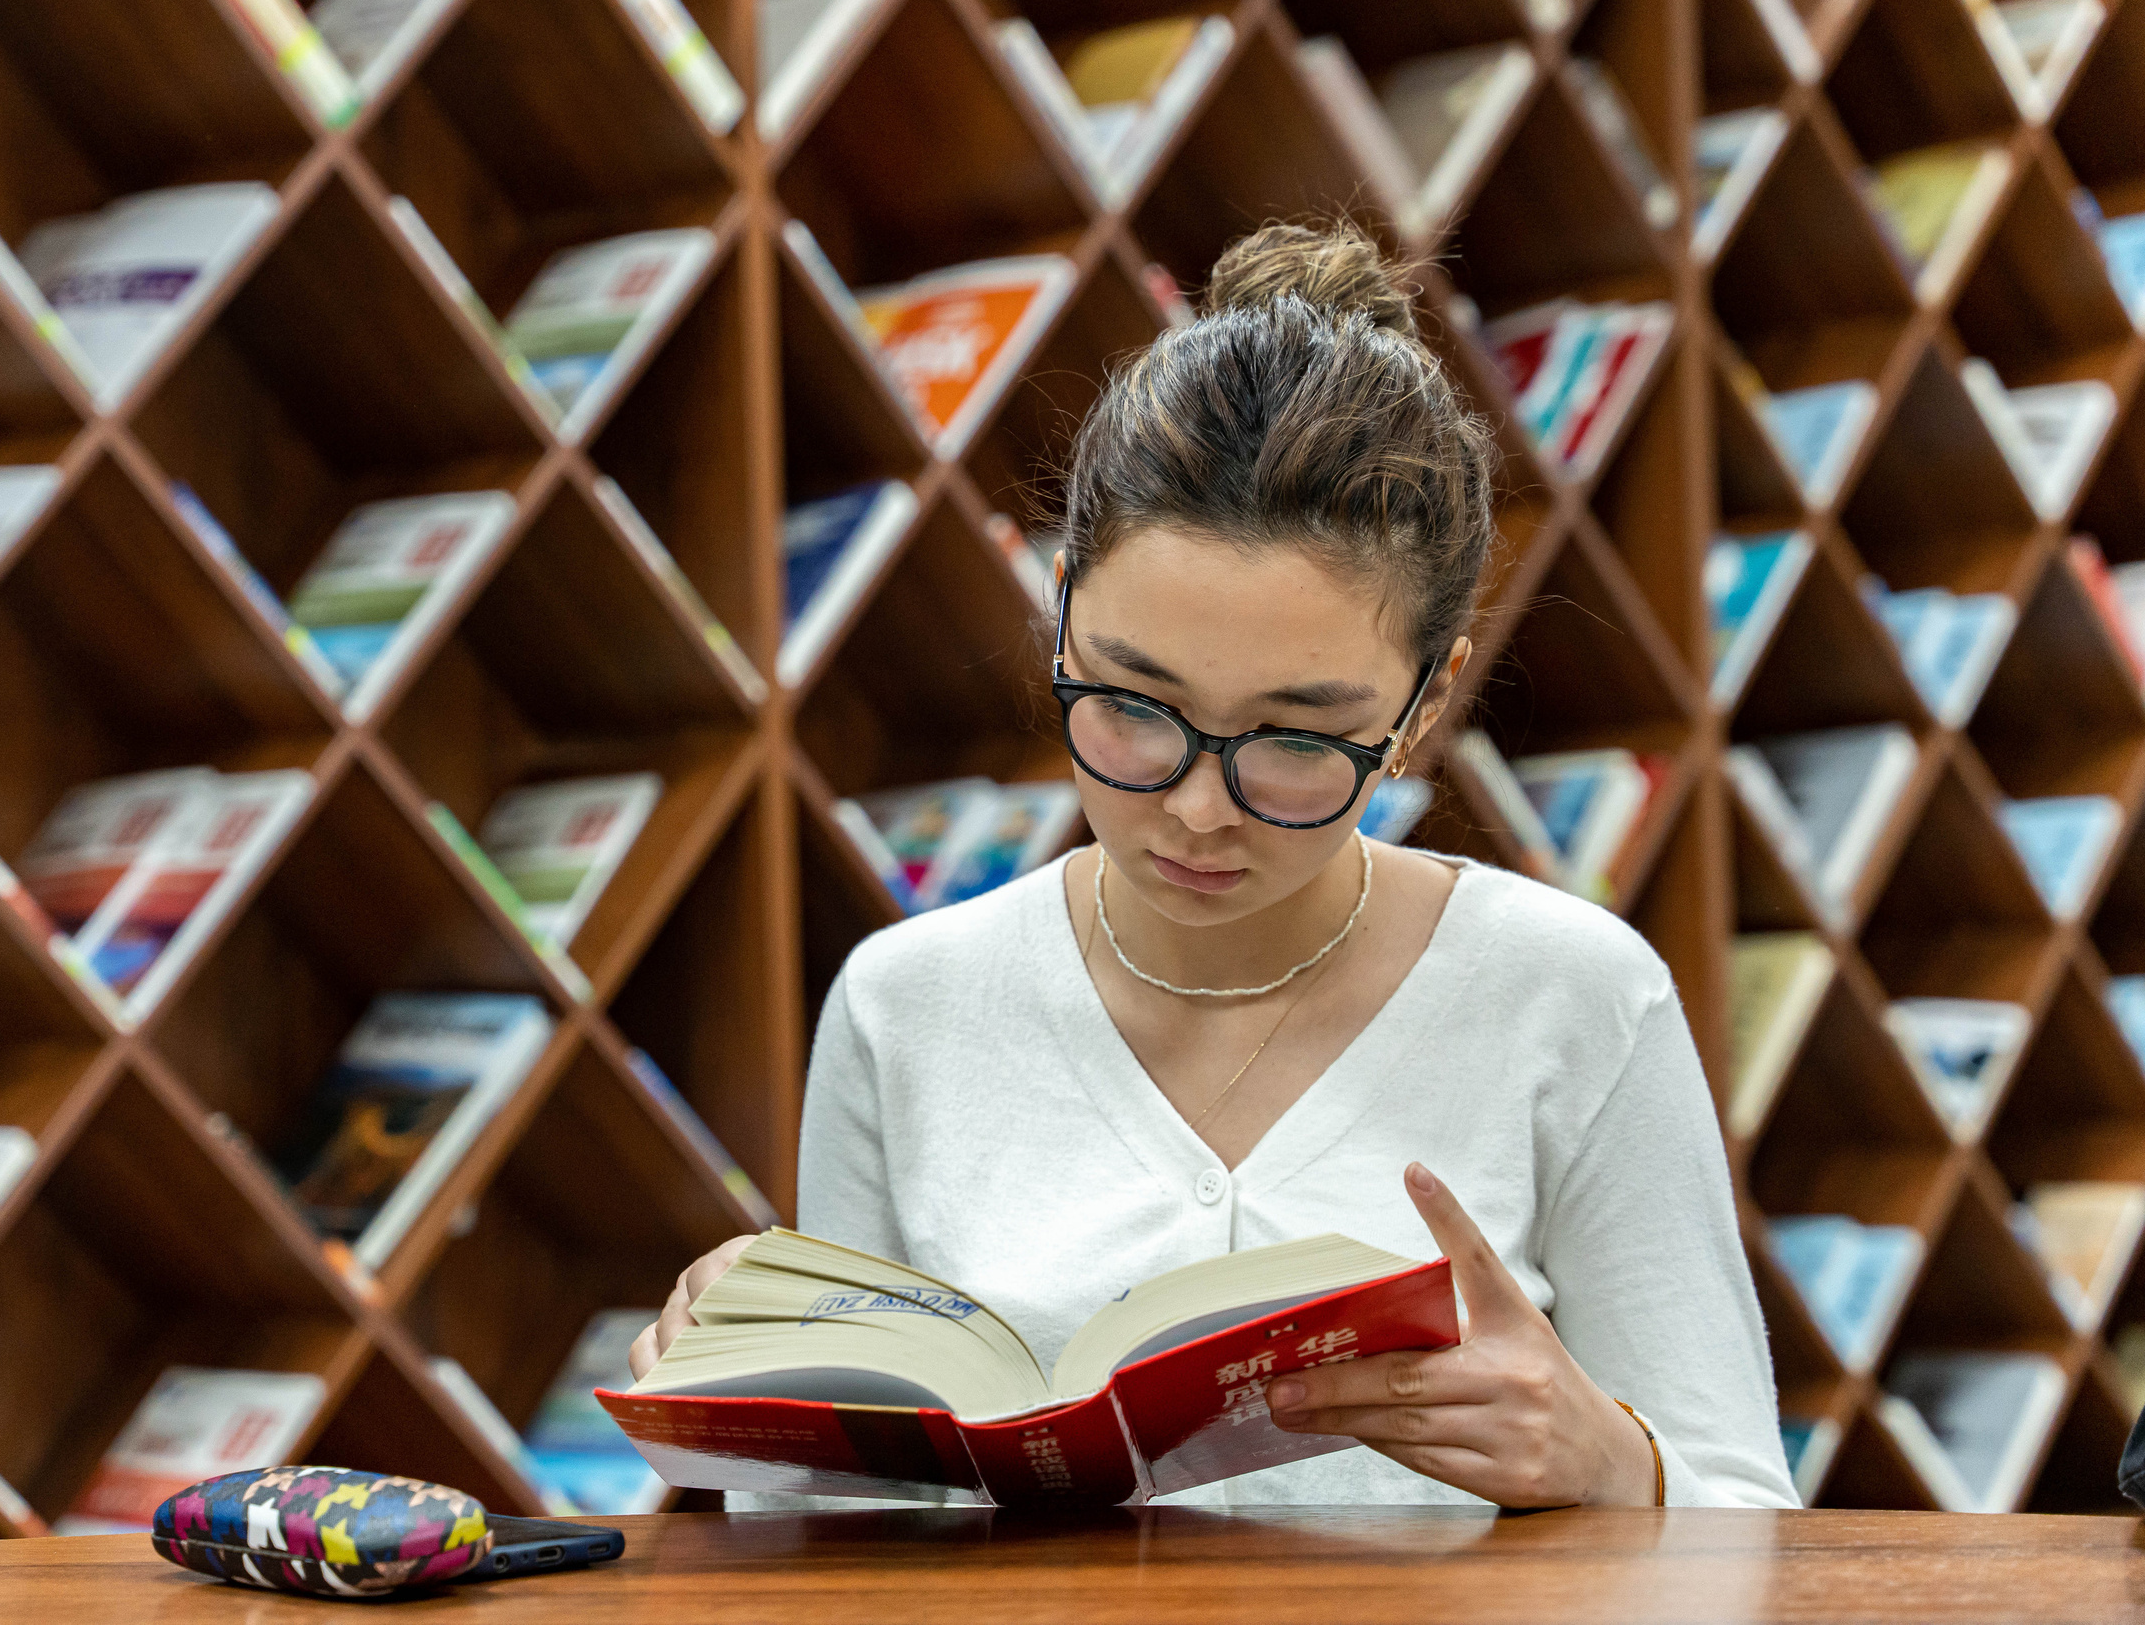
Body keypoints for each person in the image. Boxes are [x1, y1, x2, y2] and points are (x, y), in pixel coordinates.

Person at [628, 220, 1797, 1511]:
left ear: (1424, 703)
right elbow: (833, 1545)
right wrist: (747, 1405)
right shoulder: (906, 1006)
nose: (1194, 809)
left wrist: (1617, 1467)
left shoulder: (1574, 996)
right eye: (1135, 706)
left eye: (1296, 740)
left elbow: (1754, 1525)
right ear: (1064, 613)